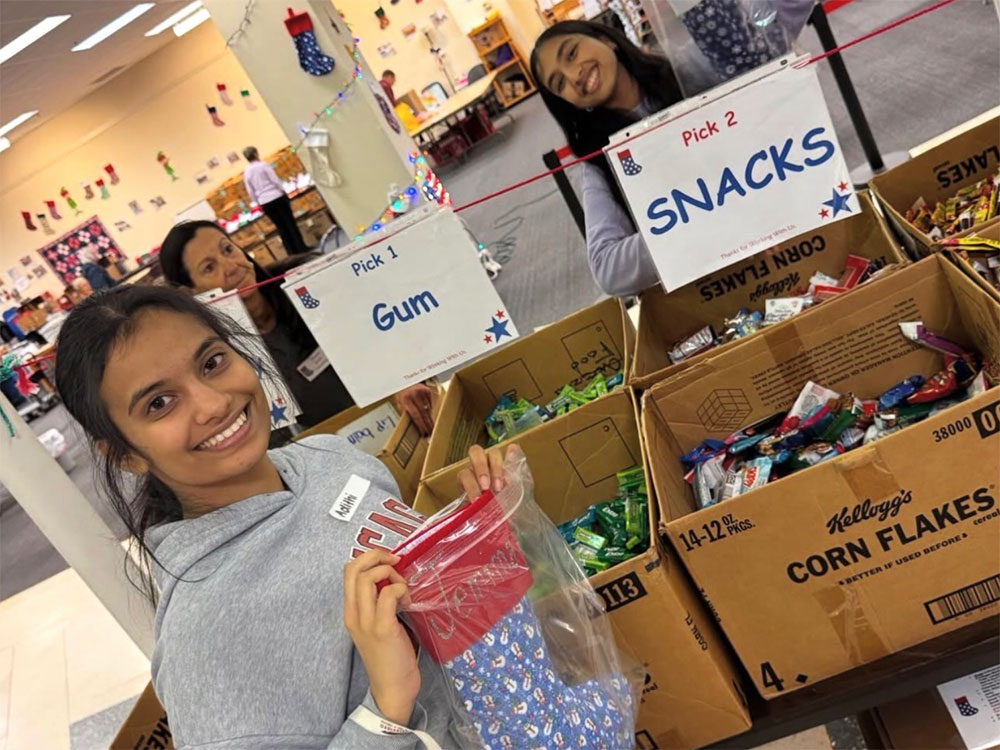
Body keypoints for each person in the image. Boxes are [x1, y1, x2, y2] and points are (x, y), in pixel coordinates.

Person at [52, 284, 508, 749]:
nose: (212, 404)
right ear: (125, 454)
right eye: (159, 403)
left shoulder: (328, 457)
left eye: (212, 362)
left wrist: (476, 530)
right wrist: (386, 707)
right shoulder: (205, 638)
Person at [159, 221, 437, 434]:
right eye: (209, 268)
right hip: (335, 453)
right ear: (191, 293)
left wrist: (406, 379)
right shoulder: (218, 357)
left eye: (228, 249)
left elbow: (383, 328)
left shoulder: (307, 282)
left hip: (404, 412)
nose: (230, 266)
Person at [530, 21, 685, 297]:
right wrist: (699, 222)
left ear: (606, 39)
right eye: (559, 83)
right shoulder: (600, 162)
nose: (573, 77)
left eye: (571, 54)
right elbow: (607, 269)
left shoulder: (688, 75)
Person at [242, 146, 310, 257]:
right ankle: (301, 248)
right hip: (277, 197)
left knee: (281, 227)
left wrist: (258, 202)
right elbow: (275, 180)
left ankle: (291, 252)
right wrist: (283, 191)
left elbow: (250, 191)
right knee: (290, 223)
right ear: (255, 154)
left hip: (265, 202)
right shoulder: (263, 165)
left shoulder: (247, 172)